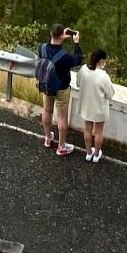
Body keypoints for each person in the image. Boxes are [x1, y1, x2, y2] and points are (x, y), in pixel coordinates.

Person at [35, 26, 83, 156]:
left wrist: (60, 36)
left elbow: (49, 48)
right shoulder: (64, 56)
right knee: (62, 117)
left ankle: (47, 137)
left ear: (51, 34)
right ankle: (61, 146)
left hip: (46, 85)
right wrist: (76, 42)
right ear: (62, 35)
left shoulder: (41, 48)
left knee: (47, 110)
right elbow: (78, 60)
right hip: (61, 88)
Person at [73, 48, 114, 163]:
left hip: (86, 105)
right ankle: (96, 154)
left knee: (87, 129)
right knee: (99, 131)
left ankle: (88, 153)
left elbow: (78, 83)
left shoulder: (83, 70)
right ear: (101, 61)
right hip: (99, 108)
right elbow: (110, 94)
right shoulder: (103, 76)